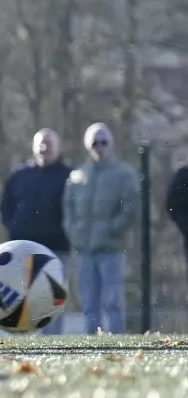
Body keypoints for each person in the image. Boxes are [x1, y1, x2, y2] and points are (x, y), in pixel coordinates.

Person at [63, 122, 139, 334]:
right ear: (88, 145)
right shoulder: (77, 176)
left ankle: (117, 343)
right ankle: (92, 343)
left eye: (103, 142)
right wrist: (74, 233)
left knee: (113, 301)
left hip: (111, 249)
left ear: (110, 144)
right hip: (84, 250)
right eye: (95, 142)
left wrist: (111, 230)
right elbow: (67, 208)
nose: (99, 147)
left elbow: (131, 208)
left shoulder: (123, 174)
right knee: (89, 302)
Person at [0, 128, 72, 333]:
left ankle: (52, 343)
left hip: (56, 249)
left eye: (49, 143)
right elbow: (5, 207)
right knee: (22, 298)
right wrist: (14, 226)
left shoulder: (68, 176)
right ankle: (24, 341)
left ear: (58, 147)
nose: (44, 148)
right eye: (40, 143)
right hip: (23, 250)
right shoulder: (19, 175)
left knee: (52, 298)